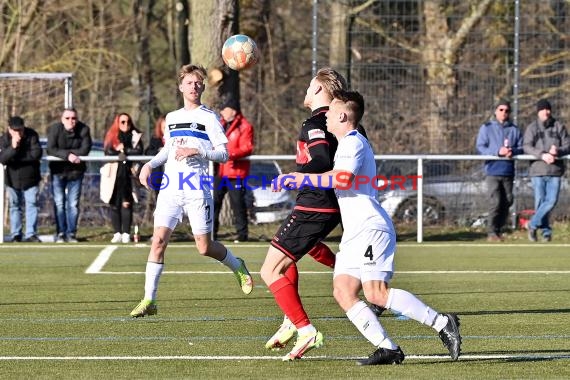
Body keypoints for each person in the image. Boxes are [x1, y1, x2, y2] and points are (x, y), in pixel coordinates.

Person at [275, 89, 462, 365]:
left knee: (376, 292)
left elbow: (342, 178)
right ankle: (387, 348)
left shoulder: (353, 142)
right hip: (354, 233)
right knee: (343, 291)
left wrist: (301, 179)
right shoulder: (345, 145)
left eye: (330, 111)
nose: (325, 117)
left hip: (370, 228)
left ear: (341, 114)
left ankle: (442, 322)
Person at [130, 64, 253, 318]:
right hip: (171, 188)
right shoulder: (172, 117)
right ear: (180, 87)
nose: (193, 87)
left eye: (198, 83)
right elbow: (167, 149)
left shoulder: (209, 117)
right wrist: (149, 165)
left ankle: (237, 265)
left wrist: (199, 150)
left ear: (203, 87)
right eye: (189, 83)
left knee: (204, 247)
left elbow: (224, 153)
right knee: (158, 241)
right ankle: (149, 300)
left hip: (196, 187)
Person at [259, 68, 350, 361]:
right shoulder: (341, 122)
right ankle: (290, 319)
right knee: (286, 258)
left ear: (321, 91)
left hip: (314, 205)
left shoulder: (314, 122)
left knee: (269, 270)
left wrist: (295, 176)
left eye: (311, 86)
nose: (306, 91)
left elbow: (321, 159)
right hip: (325, 205)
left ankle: (305, 329)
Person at [475, 99, 523, 242]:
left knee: (508, 201)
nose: (504, 113)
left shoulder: (514, 129)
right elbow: (480, 147)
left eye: (506, 110)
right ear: (496, 111)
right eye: (501, 110)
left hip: (508, 171)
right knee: (495, 202)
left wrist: (513, 151)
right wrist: (498, 151)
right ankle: (491, 232)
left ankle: (499, 229)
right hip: (492, 170)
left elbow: (522, 147)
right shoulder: (487, 128)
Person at [523, 99, 570, 242]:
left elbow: (568, 145)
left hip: (555, 170)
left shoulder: (559, 127)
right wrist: (542, 155)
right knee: (540, 202)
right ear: (538, 111)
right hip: (538, 170)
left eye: (548, 109)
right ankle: (546, 232)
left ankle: (531, 224)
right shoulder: (532, 128)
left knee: (551, 201)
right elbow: (527, 146)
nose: (546, 112)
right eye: (543, 109)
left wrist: (558, 151)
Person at [46, 108, 92, 243]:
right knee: (59, 203)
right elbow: (50, 149)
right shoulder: (55, 129)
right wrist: (68, 155)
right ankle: (60, 233)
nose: (71, 121)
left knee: (73, 204)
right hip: (58, 172)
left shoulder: (84, 129)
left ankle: (71, 233)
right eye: (67, 118)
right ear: (62, 119)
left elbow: (85, 149)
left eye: (73, 118)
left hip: (76, 172)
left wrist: (67, 153)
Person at [213, 97, 254, 243]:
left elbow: (247, 147)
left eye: (224, 109)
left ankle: (242, 236)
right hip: (221, 172)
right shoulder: (222, 124)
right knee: (214, 202)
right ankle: (212, 234)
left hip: (236, 172)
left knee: (237, 204)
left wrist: (230, 155)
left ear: (233, 110)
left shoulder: (245, 126)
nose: (222, 111)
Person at [103, 113, 144, 243]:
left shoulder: (135, 136)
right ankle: (117, 233)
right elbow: (108, 150)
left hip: (128, 174)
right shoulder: (112, 135)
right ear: (118, 123)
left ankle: (126, 232)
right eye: (122, 122)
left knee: (127, 203)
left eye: (128, 122)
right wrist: (118, 153)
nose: (125, 125)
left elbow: (138, 151)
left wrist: (124, 150)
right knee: (114, 203)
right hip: (114, 174)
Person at [0, 116, 42, 242]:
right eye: (15, 130)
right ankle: (16, 234)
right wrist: (13, 147)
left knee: (32, 205)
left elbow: (36, 154)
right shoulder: (4, 139)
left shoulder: (32, 135)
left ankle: (31, 234)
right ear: (9, 129)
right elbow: (2, 159)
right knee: (14, 206)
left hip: (31, 177)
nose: (18, 133)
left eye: (21, 130)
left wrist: (16, 158)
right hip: (12, 179)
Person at [145, 115, 167, 197]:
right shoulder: (155, 140)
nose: (167, 131)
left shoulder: (178, 140)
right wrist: (159, 151)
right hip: (159, 176)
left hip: (176, 177)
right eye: (164, 128)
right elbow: (148, 152)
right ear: (160, 128)